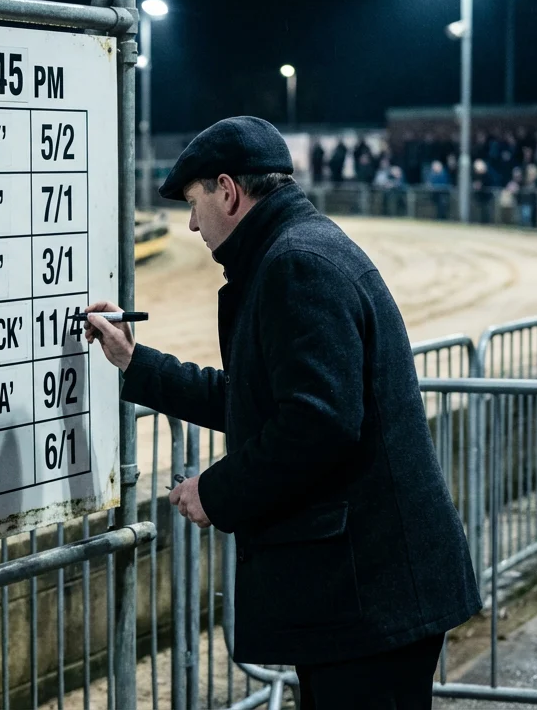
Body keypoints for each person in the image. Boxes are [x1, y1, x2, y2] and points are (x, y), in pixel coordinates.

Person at [83, 116, 480, 710]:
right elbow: (254, 400)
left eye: (194, 204)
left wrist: (214, 493)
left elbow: (317, 424)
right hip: (364, 594)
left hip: (369, 598)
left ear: (228, 190)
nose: (190, 223)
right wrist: (136, 363)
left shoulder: (297, 266)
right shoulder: (297, 250)